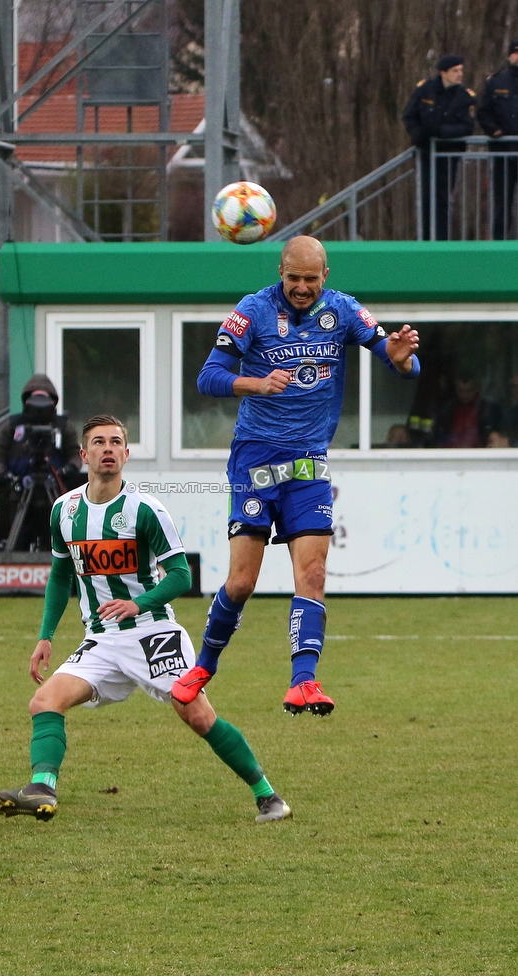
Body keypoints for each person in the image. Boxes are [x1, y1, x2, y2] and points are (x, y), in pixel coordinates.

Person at [0, 414, 292, 824]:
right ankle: (42, 788)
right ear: (84, 454)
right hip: (101, 640)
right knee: (44, 701)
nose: (107, 449)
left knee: (196, 714)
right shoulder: (64, 509)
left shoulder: (146, 509)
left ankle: (268, 796)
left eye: (115, 442)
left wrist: (138, 603)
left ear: (126, 455)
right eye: (98, 442)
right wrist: (45, 636)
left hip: (153, 632)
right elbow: (60, 574)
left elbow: (182, 574)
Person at [170, 236, 420, 715]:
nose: (302, 288)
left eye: (311, 279)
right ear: (280, 272)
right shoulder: (252, 310)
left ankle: (303, 681)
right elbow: (208, 376)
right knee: (242, 582)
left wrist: (403, 358)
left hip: (308, 464)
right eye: (293, 278)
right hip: (255, 461)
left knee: (314, 572)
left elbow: (396, 358)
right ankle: (203, 666)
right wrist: (257, 383)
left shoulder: (343, 310)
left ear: (325, 275)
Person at [0, 373, 83, 550]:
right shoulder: (12, 425)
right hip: (20, 494)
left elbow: (75, 453)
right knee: (19, 545)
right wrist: (5, 476)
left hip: (54, 494)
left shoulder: (64, 426)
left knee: (57, 544)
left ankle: (61, 576)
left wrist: (69, 469)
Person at [403, 55, 476, 240]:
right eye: (455, 71)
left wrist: (441, 132)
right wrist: (417, 134)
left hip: (449, 155)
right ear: (444, 72)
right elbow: (409, 115)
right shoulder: (426, 90)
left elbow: (467, 126)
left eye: (461, 70)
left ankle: (441, 238)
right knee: (426, 198)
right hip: (426, 153)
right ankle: (427, 237)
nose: (460, 74)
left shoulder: (464, 96)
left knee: (443, 199)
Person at [477, 40, 518, 239]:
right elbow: (483, 112)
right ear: (509, 56)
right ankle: (500, 247)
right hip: (503, 152)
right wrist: (493, 131)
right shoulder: (496, 81)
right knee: (502, 203)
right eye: (516, 53)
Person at [433, 374, 501, 448]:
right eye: (461, 391)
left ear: (476, 389)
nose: (464, 395)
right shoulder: (448, 409)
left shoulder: (487, 409)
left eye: (468, 391)